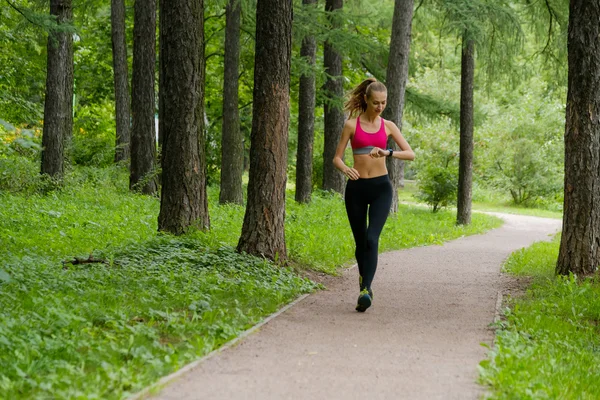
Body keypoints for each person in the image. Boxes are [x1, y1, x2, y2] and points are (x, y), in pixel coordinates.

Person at [333, 77, 415, 312]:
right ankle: (364, 283)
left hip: (381, 188)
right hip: (356, 188)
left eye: (384, 102)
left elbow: (410, 153)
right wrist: (345, 168)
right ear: (366, 100)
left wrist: (389, 152)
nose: (380, 107)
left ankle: (366, 289)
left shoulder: (388, 126)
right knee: (360, 242)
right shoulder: (351, 125)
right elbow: (336, 157)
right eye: (376, 102)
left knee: (372, 238)